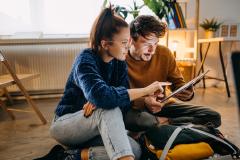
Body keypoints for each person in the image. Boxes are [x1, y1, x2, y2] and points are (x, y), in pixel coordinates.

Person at [41, 8, 164, 160]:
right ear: (106, 44)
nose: (128, 47)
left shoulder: (119, 63)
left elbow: (122, 106)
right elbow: (104, 98)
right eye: (124, 42)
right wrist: (145, 90)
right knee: (107, 108)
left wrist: (103, 99)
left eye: (129, 42)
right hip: (67, 124)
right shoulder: (85, 60)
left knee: (135, 150)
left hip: (95, 126)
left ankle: (70, 155)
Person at [124, 15, 221, 134]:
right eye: (146, 43)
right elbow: (117, 96)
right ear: (131, 40)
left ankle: (164, 123)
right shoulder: (120, 59)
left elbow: (178, 84)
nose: (152, 49)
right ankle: (183, 127)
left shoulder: (164, 53)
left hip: (162, 107)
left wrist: (186, 92)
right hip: (135, 110)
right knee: (142, 121)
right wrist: (143, 101)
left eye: (155, 43)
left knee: (213, 116)